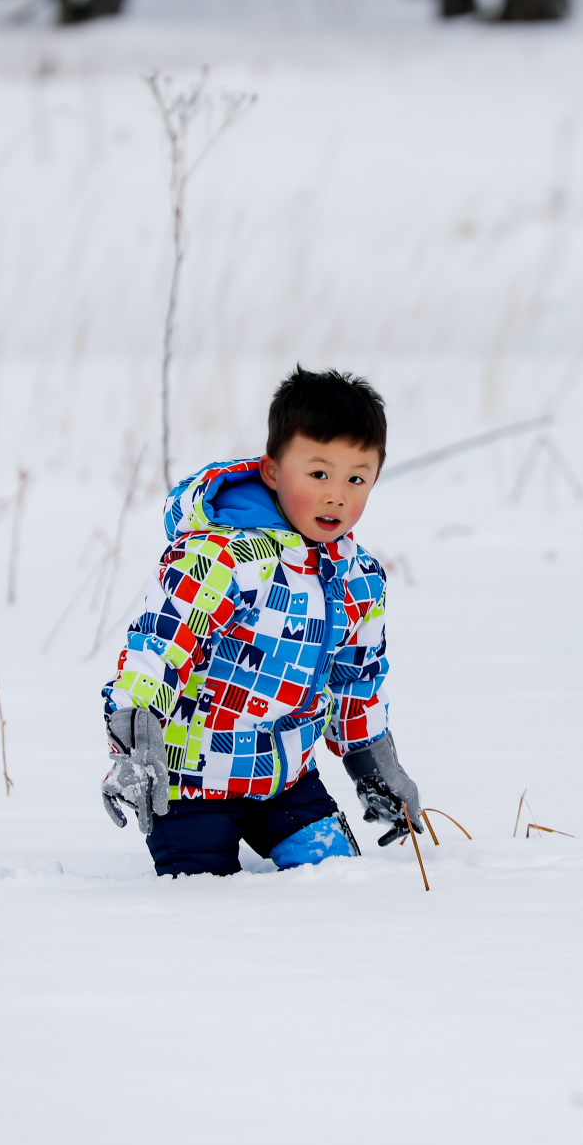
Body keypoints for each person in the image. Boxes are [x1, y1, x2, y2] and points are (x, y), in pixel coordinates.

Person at [98, 368, 424, 876]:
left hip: (288, 779)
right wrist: (135, 743)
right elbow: (157, 649)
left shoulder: (360, 579)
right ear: (272, 471)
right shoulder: (222, 559)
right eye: (318, 474)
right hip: (192, 782)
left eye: (356, 478)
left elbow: (356, 679)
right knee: (205, 898)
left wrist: (375, 765)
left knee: (339, 878)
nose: (337, 495)